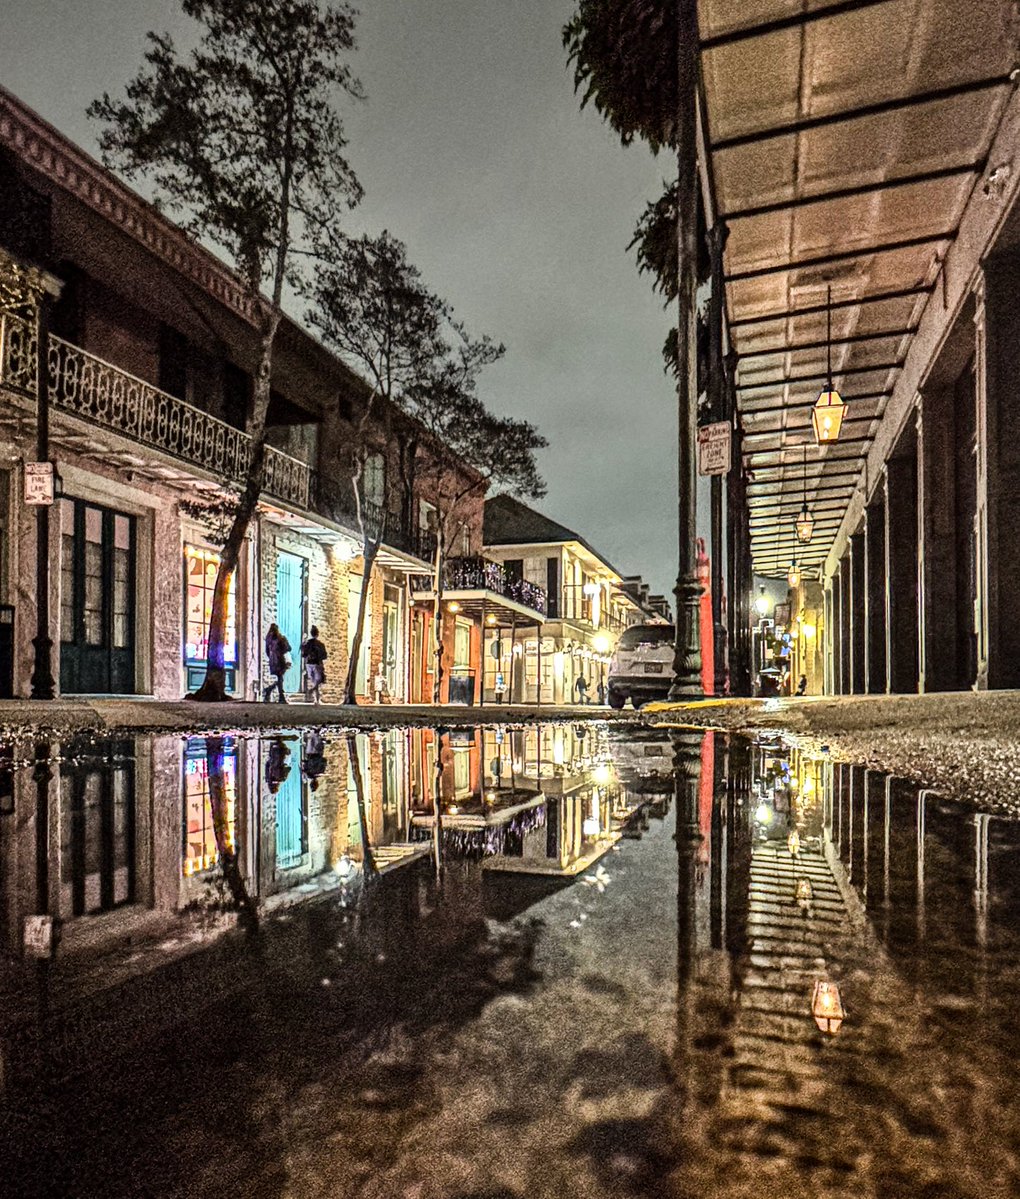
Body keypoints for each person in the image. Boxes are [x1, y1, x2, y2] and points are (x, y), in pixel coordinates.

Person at [263, 623, 292, 703]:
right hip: (280, 660)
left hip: (272, 661)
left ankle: (276, 694)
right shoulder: (281, 638)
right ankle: (275, 693)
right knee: (280, 679)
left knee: (280, 679)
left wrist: (271, 657)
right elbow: (288, 648)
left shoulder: (268, 639)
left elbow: (267, 651)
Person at [300, 626, 328, 705]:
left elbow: (304, 655)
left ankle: (316, 699)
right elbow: (324, 656)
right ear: (317, 634)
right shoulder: (320, 644)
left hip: (309, 664)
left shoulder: (307, 643)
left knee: (314, 681)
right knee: (318, 681)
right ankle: (312, 692)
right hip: (317, 664)